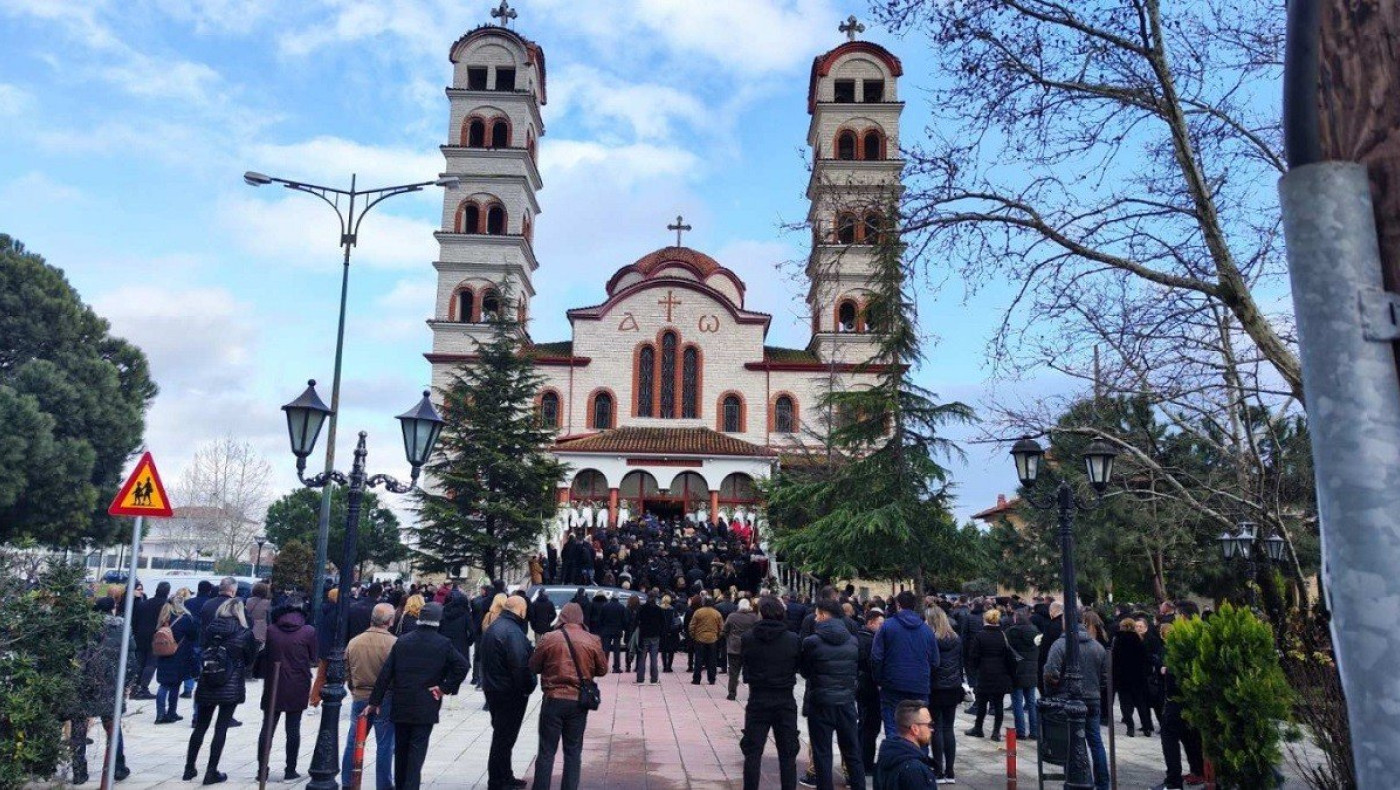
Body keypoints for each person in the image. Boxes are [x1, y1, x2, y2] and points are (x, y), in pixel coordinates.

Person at [366, 602, 470, 790]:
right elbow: (462, 666)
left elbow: (386, 673)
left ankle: (401, 786)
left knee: (401, 750)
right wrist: (444, 688)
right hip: (426, 703)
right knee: (417, 751)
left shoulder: (403, 641)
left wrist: (375, 701)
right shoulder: (443, 643)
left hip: (402, 702)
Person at [528, 602, 608, 790]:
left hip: (553, 699)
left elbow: (533, 666)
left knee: (546, 751)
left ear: (562, 617)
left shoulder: (549, 638)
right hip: (578, 700)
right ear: (581, 618)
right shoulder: (592, 640)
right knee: (573, 751)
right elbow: (602, 670)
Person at [184, 597, 260, 785]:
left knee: (201, 725)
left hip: (208, 678)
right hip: (230, 682)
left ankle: (189, 767)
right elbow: (250, 659)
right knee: (221, 727)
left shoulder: (210, 629)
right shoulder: (244, 633)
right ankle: (211, 771)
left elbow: (201, 649)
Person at [799, 600, 866, 790]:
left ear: (824, 615)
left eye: (817, 615)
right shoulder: (853, 641)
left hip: (821, 702)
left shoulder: (811, 642)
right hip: (846, 702)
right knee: (852, 752)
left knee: (822, 753)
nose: (816, 619)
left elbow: (805, 671)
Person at [739, 596, 803, 790]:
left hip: (758, 698)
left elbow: (746, 666)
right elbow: (798, 666)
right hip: (784, 698)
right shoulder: (793, 639)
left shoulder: (748, 638)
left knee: (752, 752)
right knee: (788, 754)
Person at [69, 596, 134, 785]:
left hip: (83, 683)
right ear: (113, 609)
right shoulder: (122, 628)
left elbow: (73, 654)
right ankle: (117, 767)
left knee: (79, 727)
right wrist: (127, 682)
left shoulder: (82, 628)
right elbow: (131, 657)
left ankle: (79, 771)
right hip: (111, 684)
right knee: (112, 726)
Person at [1045, 610, 1111, 790]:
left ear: (1065, 622)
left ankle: (1073, 779)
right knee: (1095, 741)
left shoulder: (1060, 645)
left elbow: (1050, 673)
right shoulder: (1097, 646)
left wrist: (1052, 692)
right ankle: (1103, 783)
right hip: (1092, 699)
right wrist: (1095, 689)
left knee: (1070, 743)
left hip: (1067, 699)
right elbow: (1105, 677)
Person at [257, 596, 317, 782]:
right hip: (297, 683)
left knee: (268, 727)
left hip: (274, 682)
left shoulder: (272, 629)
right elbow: (314, 657)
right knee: (293, 728)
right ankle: (290, 770)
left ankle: (262, 769)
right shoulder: (308, 631)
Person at [480, 595, 536, 790]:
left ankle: (505, 775)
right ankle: (498, 781)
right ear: (520, 610)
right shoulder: (511, 631)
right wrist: (528, 686)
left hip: (495, 688)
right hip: (508, 692)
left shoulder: (497, 626)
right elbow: (520, 665)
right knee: (503, 738)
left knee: (503, 737)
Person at [344, 603, 398, 790]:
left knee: (354, 741)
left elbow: (347, 670)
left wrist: (354, 688)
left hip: (360, 694)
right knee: (385, 744)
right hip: (385, 697)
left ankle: (347, 782)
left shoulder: (355, 642)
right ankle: (384, 784)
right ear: (390, 621)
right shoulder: (393, 643)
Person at [871, 591, 938, 738]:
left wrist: (879, 679)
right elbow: (935, 661)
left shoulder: (887, 626)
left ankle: (897, 752)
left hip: (892, 684)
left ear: (898, 605)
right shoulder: (926, 630)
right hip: (919, 685)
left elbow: (876, 657)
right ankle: (917, 752)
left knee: (893, 727)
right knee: (919, 729)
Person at [1151, 622, 1205, 790]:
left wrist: (1165, 670)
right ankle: (1197, 771)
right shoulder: (1198, 647)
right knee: (1191, 737)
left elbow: (1174, 677)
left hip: (1176, 701)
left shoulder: (1178, 651)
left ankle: (1174, 780)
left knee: (1170, 738)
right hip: (1193, 703)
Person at [926, 606, 963, 783]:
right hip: (953, 686)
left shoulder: (931, 639)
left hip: (936, 687)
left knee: (937, 728)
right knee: (949, 728)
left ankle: (938, 770)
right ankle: (950, 771)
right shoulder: (956, 639)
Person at [874, 699, 939, 789]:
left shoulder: (887, 755)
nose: (932, 729)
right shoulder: (915, 770)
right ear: (915, 729)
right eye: (929, 724)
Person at [155, 595, 198, 724]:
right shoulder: (185, 619)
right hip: (179, 655)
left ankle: (160, 714)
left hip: (163, 654)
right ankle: (171, 712)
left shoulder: (163, 618)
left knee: (163, 685)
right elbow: (194, 635)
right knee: (175, 685)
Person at [1112, 617, 1155, 737]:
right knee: (1141, 703)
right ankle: (1146, 727)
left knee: (1125, 704)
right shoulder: (1139, 640)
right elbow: (1145, 658)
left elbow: (1115, 660)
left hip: (1123, 677)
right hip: (1138, 677)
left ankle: (1130, 727)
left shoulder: (1118, 640)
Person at [856, 608, 884, 773]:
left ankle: (862, 759)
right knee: (870, 725)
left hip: (862, 685)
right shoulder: (870, 640)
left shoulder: (860, 637)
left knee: (865, 723)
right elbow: (873, 663)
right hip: (869, 687)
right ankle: (866, 762)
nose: (882, 627)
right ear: (871, 623)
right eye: (880, 624)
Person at [1007, 607, 1041, 740]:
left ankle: (1020, 732)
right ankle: (1034, 731)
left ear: (1016, 618)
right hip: (1032, 670)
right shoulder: (1035, 631)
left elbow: (1007, 650)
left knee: (1017, 702)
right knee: (1031, 702)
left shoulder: (1011, 632)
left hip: (1017, 670)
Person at [132, 580, 170, 699]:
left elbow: (135, 621)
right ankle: (143, 688)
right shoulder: (166, 606)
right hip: (157, 637)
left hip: (140, 636)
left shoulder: (144, 604)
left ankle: (135, 686)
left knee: (140, 662)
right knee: (151, 663)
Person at [722, 597, 760, 701]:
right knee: (751, 672)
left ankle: (732, 693)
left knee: (733, 672)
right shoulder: (754, 617)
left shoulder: (732, 616)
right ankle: (752, 694)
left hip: (734, 647)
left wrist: (729, 638)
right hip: (749, 647)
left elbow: (725, 630)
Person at [688, 595, 724, 685]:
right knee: (712, 660)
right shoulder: (716, 613)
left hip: (700, 638)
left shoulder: (698, 612)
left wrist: (693, 636)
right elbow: (721, 628)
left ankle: (696, 679)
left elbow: (692, 626)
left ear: (703, 603)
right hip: (712, 639)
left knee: (698, 660)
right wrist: (718, 636)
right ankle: (712, 679)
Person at [635, 591, 666, 684]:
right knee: (654, 658)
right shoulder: (659, 609)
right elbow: (663, 623)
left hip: (644, 635)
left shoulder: (642, 608)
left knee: (642, 658)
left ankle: (640, 678)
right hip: (655, 636)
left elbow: (636, 621)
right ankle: (654, 678)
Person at [598, 593, 628, 673]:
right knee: (616, 649)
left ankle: (604, 667)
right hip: (617, 630)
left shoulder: (605, 606)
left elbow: (600, 619)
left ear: (611, 597)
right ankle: (616, 667)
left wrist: (602, 628)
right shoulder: (621, 607)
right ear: (618, 598)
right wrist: (623, 628)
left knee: (606, 649)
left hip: (606, 630)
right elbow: (624, 620)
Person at [659, 595, 682, 673]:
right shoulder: (673, 610)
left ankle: (664, 666)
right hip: (672, 633)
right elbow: (678, 622)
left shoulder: (659, 610)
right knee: (671, 650)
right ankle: (669, 666)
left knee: (663, 650)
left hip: (662, 633)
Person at [246, 582, 272, 648]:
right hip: (261, 630)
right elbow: (269, 619)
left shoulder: (248, 600)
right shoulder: (267, 603)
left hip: (248, 628)